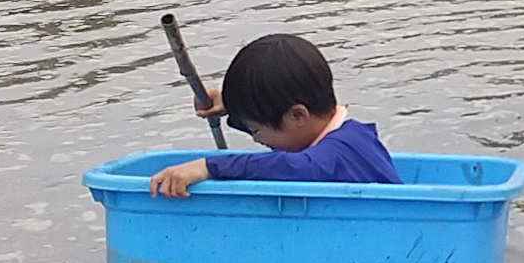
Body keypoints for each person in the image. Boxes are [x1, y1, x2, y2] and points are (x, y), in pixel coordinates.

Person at [149, 33, 402, 196]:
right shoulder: (352, 135)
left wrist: (209, 166)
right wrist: (234, 104)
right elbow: (280, 138)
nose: (256, 139)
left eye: (255, 130)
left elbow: (294, 167)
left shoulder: (336, 153)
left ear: (297, 116)